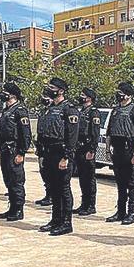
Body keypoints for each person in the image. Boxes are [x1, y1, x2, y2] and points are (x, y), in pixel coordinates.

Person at [35, 77, 80, 236]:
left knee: (63, 188)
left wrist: (66, 157)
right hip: (48, 152)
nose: (49, 89)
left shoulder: (69, 109)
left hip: (61, 153)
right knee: (53, 188)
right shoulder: (48, 108)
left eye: (52, 87)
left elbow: (72, 136)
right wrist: (40, 153)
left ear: (61, 91)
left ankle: (66, 222)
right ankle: (56, 219)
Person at [105, 81, 134, 225]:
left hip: (130, 149)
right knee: (120, 183)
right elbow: (109, 132)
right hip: (117, 150)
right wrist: (107, 149)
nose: (119, 94)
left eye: (121, 92)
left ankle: (132, 212)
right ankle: (121, 211)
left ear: (128, 95)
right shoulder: (115, 110)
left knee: (132, 183)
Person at [0, 81, 31, 221]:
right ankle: (11, 207)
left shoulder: (20, 110)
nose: (2, 94)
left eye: (5, 92)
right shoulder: (6, 110)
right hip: (5, 149)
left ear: (12, 95)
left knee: (16, 181)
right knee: (8, 180)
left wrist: (21, 152)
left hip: (14, 149)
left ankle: (18, 209)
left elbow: (25, 133)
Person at [73, 87, 102, 216]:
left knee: (89, 178)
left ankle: (90, 205)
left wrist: (92, 149)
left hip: (87, 147)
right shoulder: (81, 111)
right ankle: (84, 204)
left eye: (83, 95)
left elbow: (95, 133)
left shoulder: (93, 113)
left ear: (89, 98)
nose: (81, 96)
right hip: (79, 147)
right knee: (82, 178)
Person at [33, 93, 54, 208]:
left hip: (50, 145)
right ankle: (47, 194)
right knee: (43, 170)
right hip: (42, 145)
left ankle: (51, 195)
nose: (44, 99)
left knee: (50, 172)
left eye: (47, 97)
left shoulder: (54, 111)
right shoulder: (43, 111)